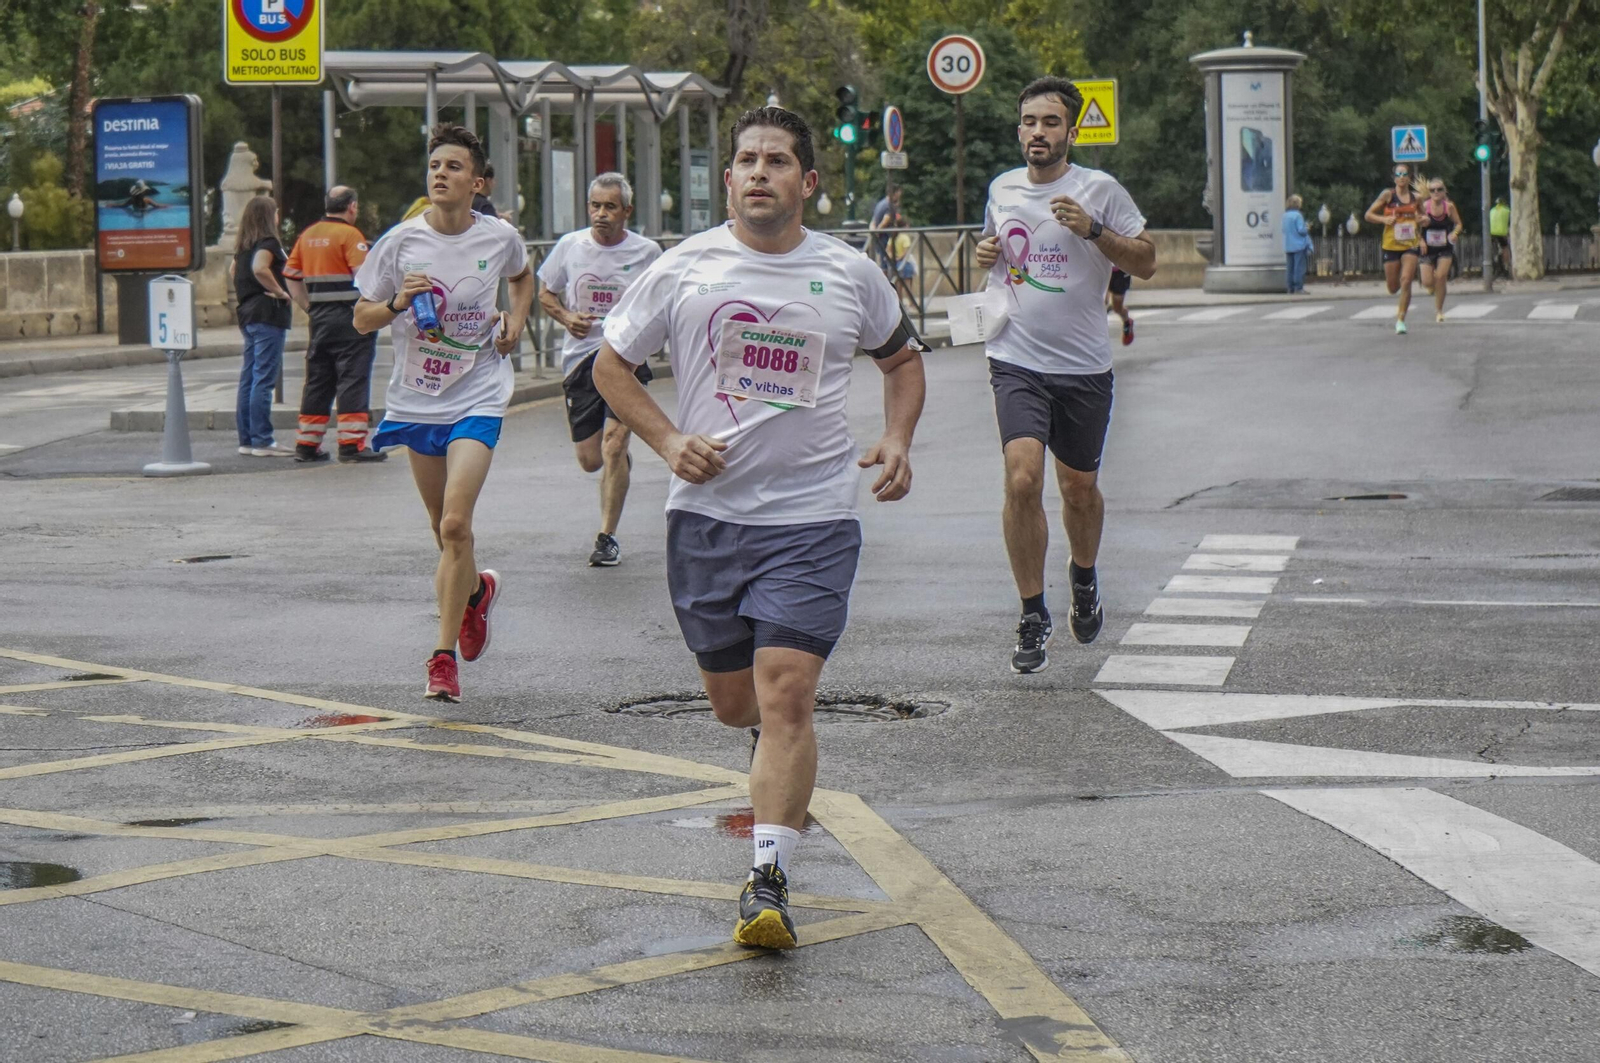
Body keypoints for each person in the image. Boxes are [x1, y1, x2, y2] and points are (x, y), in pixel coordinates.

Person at [592, 106, 926, 949]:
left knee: (787, 691)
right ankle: (765, 751)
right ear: (730, 177)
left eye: (777, 161)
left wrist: (896, 437)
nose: (759, 173)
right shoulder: (685, 266)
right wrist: (667, 439)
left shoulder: (850, 273)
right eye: (746, 160)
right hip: (708, 520)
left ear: (807, 182)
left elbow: (902, 360)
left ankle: (767, 877)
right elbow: (609, 366)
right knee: (734, 701)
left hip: (813, 518)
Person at [974, 76, 1156, 674]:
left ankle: (1084, 575)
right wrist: (983, 255)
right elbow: (998, 252)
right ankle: (1032, 611)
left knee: (1078, 489)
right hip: (1015, 357)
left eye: (1050, 123)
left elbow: (1148, 261)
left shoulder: (1099, 190)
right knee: (1022, 477)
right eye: (1029, 121)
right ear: (1019, 128)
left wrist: (1094, 231)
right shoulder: (1001, 188)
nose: (1037, 132)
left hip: (1083, 367)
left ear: (1071, 132)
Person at [352, 124, 535, 702]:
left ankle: (442, 659)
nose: (440, 174)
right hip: (416, 399)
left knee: (457, 524)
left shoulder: (498, 237)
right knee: (441, 531)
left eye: (454, 167)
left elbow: (523, 276)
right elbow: (360, 318)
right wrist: (396, 302)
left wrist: (517, 320)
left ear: (477, 182)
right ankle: (476, 594)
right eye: (435, 165)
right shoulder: (400, 242)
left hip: (478, 392)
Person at [537, 173, 663, 566]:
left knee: (614, 443)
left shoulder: (648, 253)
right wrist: (566, 317)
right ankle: (616, 464)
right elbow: (544, 291)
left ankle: (606, 536)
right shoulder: (570, 247)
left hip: (626, 356)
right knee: (591, 458)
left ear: (627, 211)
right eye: (595, 205)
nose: (601, 214)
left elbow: (662, 303)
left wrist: (644, 341)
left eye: (610, 206)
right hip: (581, 359)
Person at [284, 186, 385, 463]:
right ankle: (351, 444)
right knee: (352, 378)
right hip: (351, 320)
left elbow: (291, 276)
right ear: (352, 206)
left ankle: (306, 443)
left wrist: (309, 306)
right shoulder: (351, 235)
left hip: (320, 320)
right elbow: (364, 277)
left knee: (318, 381)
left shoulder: (308, 235)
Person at [229, 195, 294, 458]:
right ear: (269, 217)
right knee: (264, 379)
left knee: (249, 377)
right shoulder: (269, 243)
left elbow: (235, 271)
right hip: (268, 315)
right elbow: (260, 268)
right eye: (276, 212)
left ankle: (247, 439)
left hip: (248, 313)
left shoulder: (243, 247)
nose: (279, 216)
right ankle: (263, 440)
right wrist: (280, 292)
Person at [1365, 164, 1422, 335]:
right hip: (1391, 244)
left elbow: (1422, 216)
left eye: (1405, 174)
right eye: (1399, 174)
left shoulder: (1416, 198)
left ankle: (1401, 320)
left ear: (1409, 178)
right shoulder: (1388, 195)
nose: (1402, 177)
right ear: (1394, 178)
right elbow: (1368, 215)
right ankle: (1400, 296)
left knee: (1406, 280)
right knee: (1392, 287)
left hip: (1410, 244)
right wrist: (1383, 219)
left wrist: (1422, 220)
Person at [1417, 177, 1464, 322]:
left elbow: (1458, 224)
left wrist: (1455, 233)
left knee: (1441, 277)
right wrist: (1421, 241)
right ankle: (1431, 287)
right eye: (1432, 190)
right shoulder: (1424, 207)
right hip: (1428, 249)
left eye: (1439, 189)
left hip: (1444, 248)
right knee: (1427, 282)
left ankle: (1439, 311)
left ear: (1444, 191)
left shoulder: (1449, 207)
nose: (1436, 192)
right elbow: (1413, 226)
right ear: (1429, 192)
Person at [1282, 194, 1312, 294]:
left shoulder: (1285, 215)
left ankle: (1290, 288)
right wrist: (1307, 227)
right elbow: (1301, 230)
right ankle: (1299, 288)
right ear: (1298, 204)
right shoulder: (1298, 215)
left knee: (1290, 268)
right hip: (1299, 245)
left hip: (1288, 245)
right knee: (1299, 268)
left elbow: (1283, 230)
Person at [870, 186, 903, 271]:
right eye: (899, 193)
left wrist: (874, 231)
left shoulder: (880, 203)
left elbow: (873, 220)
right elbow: (886, 220)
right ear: (894, 194)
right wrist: (878, 231)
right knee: (886, 263)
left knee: (882, 261)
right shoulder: (889, 206)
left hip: (879, 237)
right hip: (884, 237)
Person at [1107, 268, 1133, 345]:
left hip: (1120, 272)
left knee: (1117, 308)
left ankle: (1127, 322)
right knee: (1103, 302)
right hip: (1103, 267)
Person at [1490, 196, 1511, 277]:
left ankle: (1493, 259)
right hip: (1501, 233)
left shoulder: (1492, 210)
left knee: (1493, 247)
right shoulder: (1507, 210)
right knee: (1505, 248)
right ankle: (1506, 266)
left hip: (1491, 233)